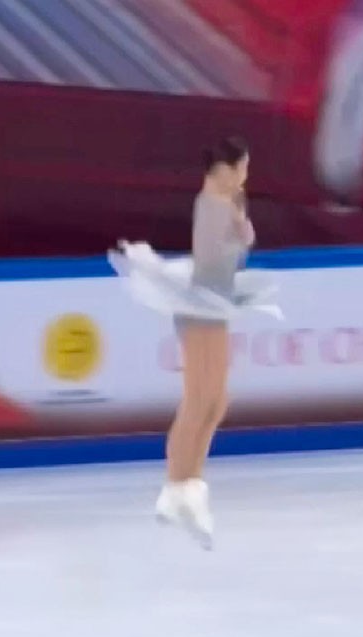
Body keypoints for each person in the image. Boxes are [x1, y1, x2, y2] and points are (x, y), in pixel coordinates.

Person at [108, 136, 281, 549]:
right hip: (202, 304)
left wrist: (240, 224)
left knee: (215, 401)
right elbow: (212, 261)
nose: (246, 176)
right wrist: (237, 231)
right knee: (200, 399)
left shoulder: (228, 202)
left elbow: (237, 251)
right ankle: (178, 486)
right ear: (223, 170)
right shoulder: (211, 205)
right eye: (242, 168)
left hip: (214, 303)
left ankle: (187, 486)